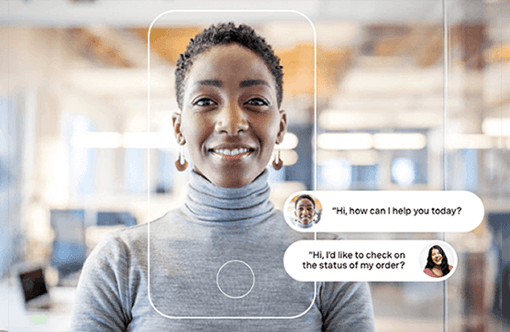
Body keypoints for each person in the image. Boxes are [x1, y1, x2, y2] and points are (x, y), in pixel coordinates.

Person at [70, 22, 375, 331]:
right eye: (205, 101)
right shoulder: (120, 261)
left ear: (280, 127)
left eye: (255, 101)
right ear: (178, 128)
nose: (231, 123)